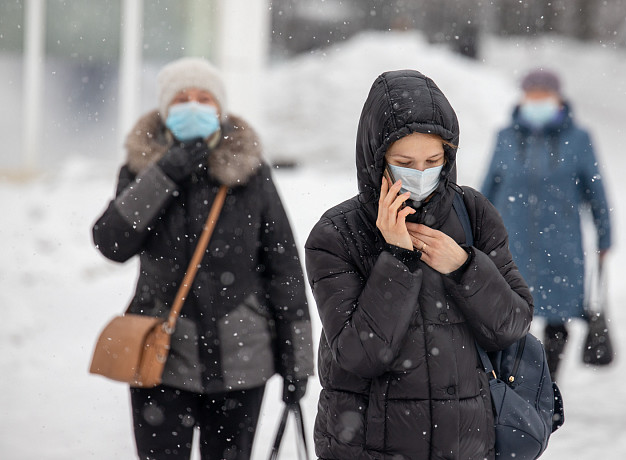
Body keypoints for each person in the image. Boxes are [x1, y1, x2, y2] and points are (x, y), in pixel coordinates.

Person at [304, 69, 533, 459]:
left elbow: (511, 325)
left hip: (464, 445)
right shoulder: (336, 234)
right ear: (377, 160)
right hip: (368, 447)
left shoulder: (474, 214)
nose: (422, 173)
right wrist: (396, 259)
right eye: (405, 161)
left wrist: (464, 267)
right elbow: (360, 355)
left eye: (433, 159)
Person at [92, 57, 313, 460]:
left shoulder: (251, 173)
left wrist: (298, 360)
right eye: (181, 98)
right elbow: (112, 243)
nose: (193, 105)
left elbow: (284, 267)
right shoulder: (140, 169)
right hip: (160, 357)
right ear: (164, 109)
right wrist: (164, 175)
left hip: (242, 359)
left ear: (219, 109)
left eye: (204, 97)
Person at [481, 68, 612, 381]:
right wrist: (473, 231)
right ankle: (513, 384)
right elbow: (487, 190)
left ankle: (549, 384)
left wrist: (605, 238)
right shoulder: (505, 137)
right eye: (532, 95)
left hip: (561, 245)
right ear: (523, 97)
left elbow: (597, 192)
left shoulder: (579, 139)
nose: (538, 101)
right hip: (512, 245)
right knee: (510, 316)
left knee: (557, 318)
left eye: (544, 95)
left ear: (558, 98)